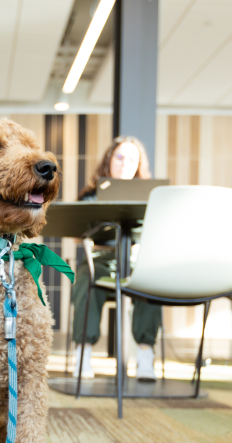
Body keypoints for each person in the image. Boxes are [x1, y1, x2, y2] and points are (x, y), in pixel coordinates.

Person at [72, 136, 161, 381]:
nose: (124, 164)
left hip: (134, 262)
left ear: (139, 164)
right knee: (85, 281)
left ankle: (145, 355)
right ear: (109, 161)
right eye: (119, 157)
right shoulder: (91, 195)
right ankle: (82, 353)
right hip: (100, 259)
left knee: (151, 282)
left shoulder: (151, 197)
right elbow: (77, 235)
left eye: (131, 159)